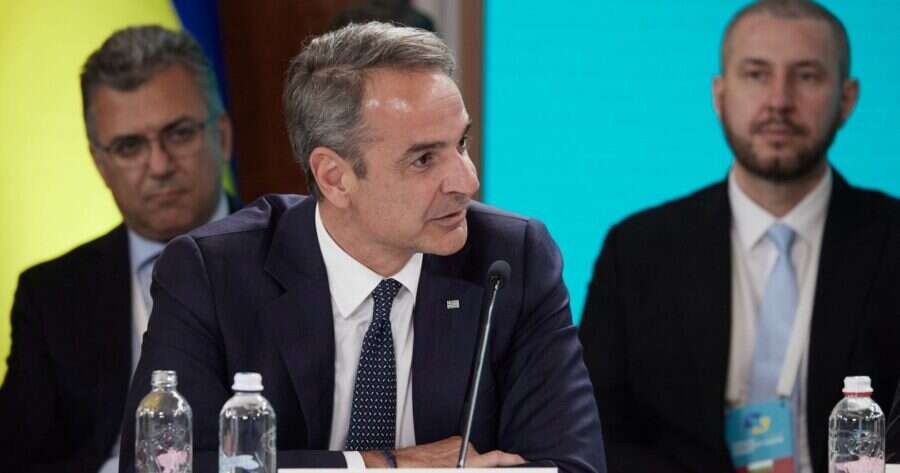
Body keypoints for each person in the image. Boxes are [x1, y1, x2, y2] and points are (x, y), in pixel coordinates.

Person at [117, 21, 606, 473]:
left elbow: (570, 465)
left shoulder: (512, 259)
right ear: (335, 177)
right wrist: (380, 466)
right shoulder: (212, 272)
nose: (466, 180)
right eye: (423, 159)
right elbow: (160, 467)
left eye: (461, 144)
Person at [578, 1, 900, 472]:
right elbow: (595, 428)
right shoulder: (637, 251)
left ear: (847, 99)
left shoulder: (892, 242)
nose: (779, 101)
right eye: (756, 74)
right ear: (720, 94)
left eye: (807, 76)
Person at [0, 25, 238, 472]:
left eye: (179, 133)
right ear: (100, 164)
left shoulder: (299, 256)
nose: (160, 165)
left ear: (222, 137)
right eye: (130, 147)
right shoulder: (50, 295)